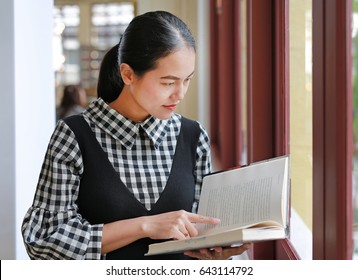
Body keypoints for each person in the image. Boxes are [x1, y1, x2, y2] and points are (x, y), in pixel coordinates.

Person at [21, 10, 251, 260]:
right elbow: (42, 240)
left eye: (187, 80)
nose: (180, 94)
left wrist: (215, 254)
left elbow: (200, 234)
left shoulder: (194, 137)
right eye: (168, 82)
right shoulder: (74, 136)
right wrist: (145, 225)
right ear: (128, 74)